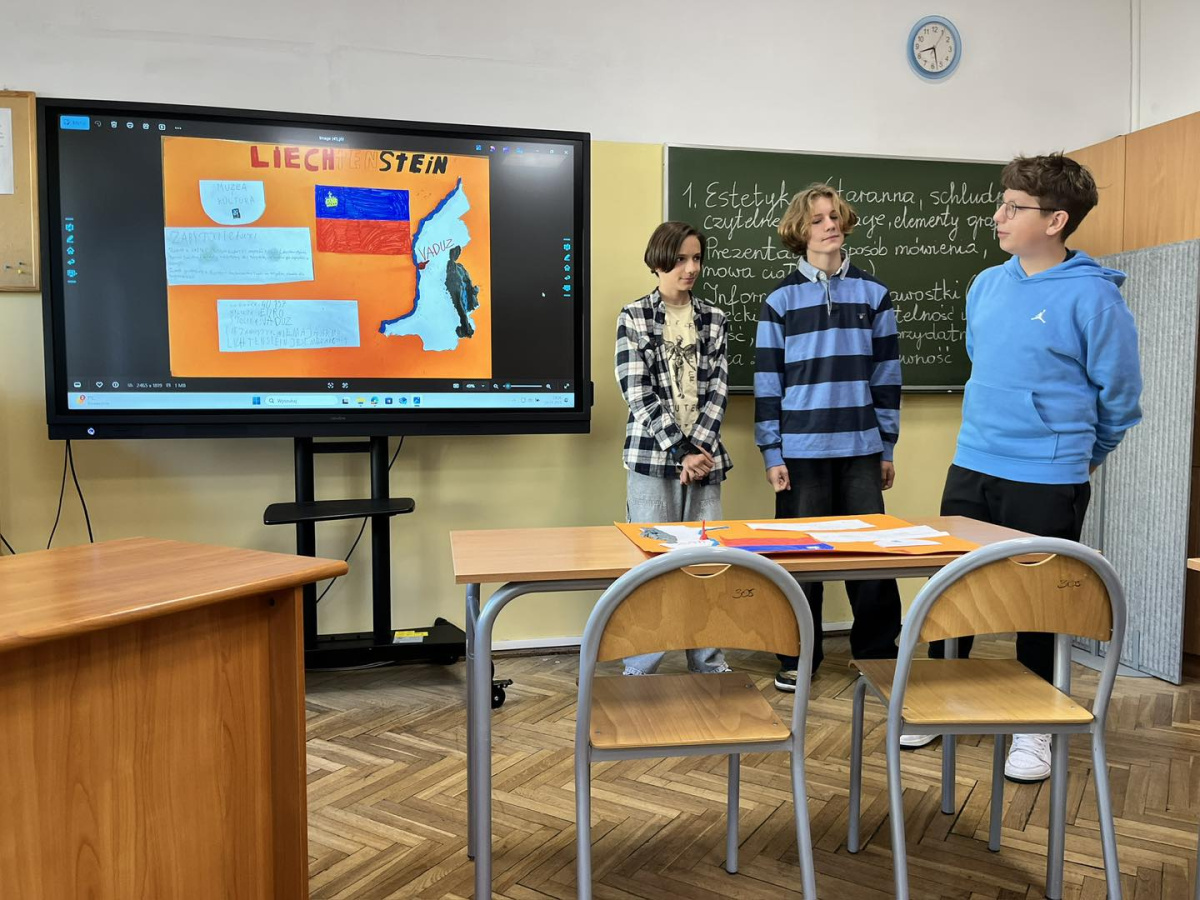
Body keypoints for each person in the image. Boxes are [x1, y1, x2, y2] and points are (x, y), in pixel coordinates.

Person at [931, 152, 1143, 782]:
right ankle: (939, 702)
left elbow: (1121, 398)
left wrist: (1080, 456)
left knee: (1039, 604)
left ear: (1055, 221)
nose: (999, 216)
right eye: (1002, 203)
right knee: (953, 590)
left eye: (1014, 207)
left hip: (1048, 474)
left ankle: (1034, 727)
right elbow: (983, 360)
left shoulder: (1094, 298)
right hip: (973, 461)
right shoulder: (985, 284)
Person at [754, 184, 911, 723]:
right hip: (801, 450)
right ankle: (799, 656)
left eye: (836, 217)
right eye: (819, 219)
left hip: (861, 446)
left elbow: (888, 377)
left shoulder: (874, 294)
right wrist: (772, 451)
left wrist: (886, 445)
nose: (830, 226)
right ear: (800, 231)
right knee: (799, 560)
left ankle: (878, 653)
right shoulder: (780, 301)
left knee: (871, 559)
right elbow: (767, 383)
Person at [615, 221, 733, 676]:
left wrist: (697, 451)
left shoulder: (714, 318)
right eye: (682, 258)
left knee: (708, 565)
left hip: (705, 460)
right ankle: (641, 665)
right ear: (660, 260)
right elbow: (636, 391)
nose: (691, 268)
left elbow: (719, 389)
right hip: (652, 458)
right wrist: (680, 451)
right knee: (649, 565)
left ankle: (708, 661)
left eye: (697, 258)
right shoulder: (634, 316)